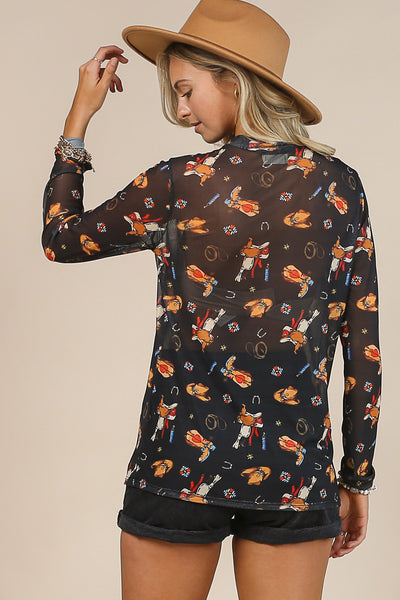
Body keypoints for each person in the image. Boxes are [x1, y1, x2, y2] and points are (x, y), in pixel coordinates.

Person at [41, 1, 382, 598]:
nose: (180, 111)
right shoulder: (339, 186)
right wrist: (356, 474)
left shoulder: (177, 183)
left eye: (185, 91)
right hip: (294, 472)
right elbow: (363, 345)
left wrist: (78, 120)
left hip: (178, 463)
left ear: (235, 80)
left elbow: (61, 239)